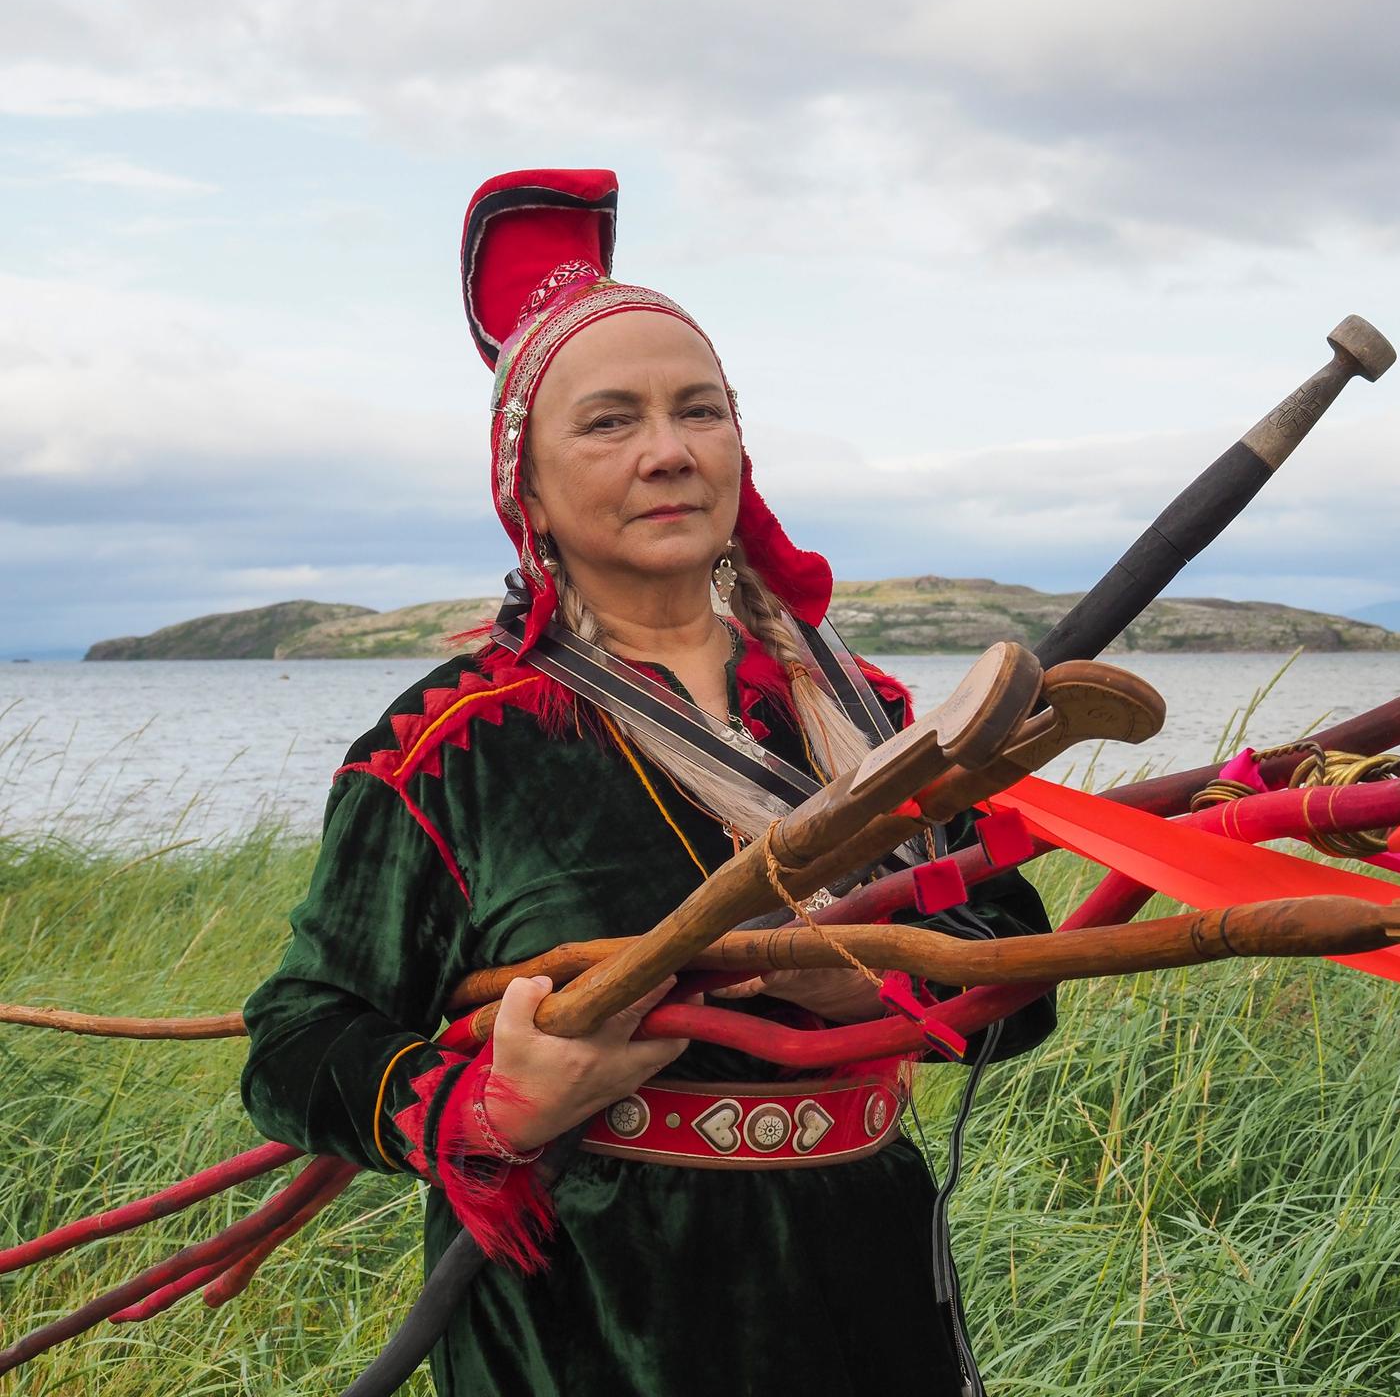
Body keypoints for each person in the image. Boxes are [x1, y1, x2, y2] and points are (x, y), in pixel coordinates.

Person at [239, 168, 1055, 1396]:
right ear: (529, 485)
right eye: (610, 421)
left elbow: (1021, 970)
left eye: (702, 412)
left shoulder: (868, 714)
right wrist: (489, 1109)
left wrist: (892, 982)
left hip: (867, 1284)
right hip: (588, 1311)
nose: (668, 453)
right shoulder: (452, 748)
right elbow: (296, 1039)